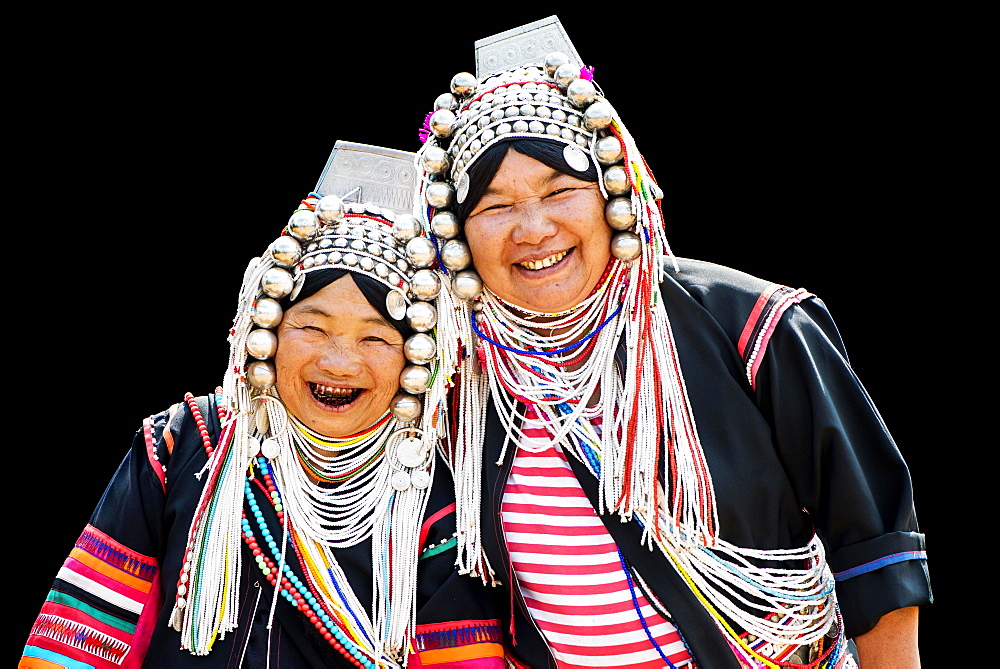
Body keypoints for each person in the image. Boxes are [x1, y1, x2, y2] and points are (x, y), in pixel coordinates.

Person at [413, 17, 931, 668]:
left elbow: (875, 548)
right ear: (457, 235)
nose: (533, 228)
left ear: (615, 191)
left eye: (560, 191)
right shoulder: (460, 388)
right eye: (493, 206)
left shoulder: (756, 328)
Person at [20, 142, 510, 668]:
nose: (339, 362)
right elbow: (79, 638)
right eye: (313, 327)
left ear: (417, 360)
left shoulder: (436, 495)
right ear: (266, 331)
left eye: (375, 339)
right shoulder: (188, 445)